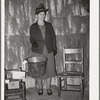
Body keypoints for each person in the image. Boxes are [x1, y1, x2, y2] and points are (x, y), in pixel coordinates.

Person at [29, 3, 57, 95]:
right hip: (38, 51)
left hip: (49, 50)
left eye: (44, 14)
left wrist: (54, 49)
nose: (43, 15)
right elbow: (31, 39)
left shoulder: (49, 25)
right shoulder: (33, 27)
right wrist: (34, 43)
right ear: (36, 15)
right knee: (38, 71)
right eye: (40, 14)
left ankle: (48, 87)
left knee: (50, 69)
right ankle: (40, 88)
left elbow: (53, 37)